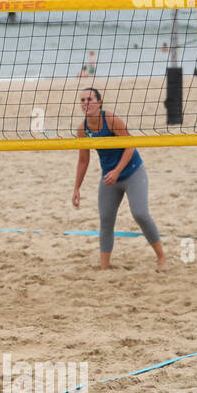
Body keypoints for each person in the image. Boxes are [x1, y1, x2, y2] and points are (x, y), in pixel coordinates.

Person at [72, 87, 167, 271]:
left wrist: (117, 171)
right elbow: (83, 160)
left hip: (132, 171)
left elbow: (130, 146)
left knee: (140, 214)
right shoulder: (82, 129)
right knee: (106, 220)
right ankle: (104, 268)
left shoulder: (111, 120)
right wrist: (76, 188)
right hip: (109, 177)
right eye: (82, 100)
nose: (86, 103)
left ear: (99, 102)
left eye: (90, 99)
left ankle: (161, 257)